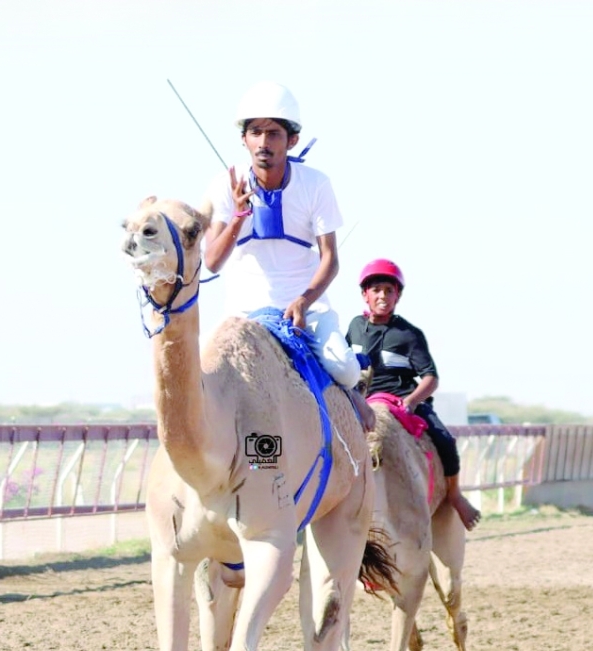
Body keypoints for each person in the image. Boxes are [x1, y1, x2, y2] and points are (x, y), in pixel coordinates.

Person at [203, 81, 373, 428]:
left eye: (274, 133)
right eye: (255, 132)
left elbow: (330, 259)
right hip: (243, 313)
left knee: (343, 368)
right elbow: (212, 261)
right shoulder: (225, 184)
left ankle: (352, 398)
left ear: (291, 140)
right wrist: (238, 215)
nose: (264, 142)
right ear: (244, 139)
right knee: (206, 374)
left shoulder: (316, 184)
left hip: (305, 311)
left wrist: (304, 301)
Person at [346, 259, 481, 530]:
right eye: (376, 290)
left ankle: (454, 494)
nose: (382, 296)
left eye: (389, 290)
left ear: (398, 295)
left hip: (402, 400)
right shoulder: (354, 327)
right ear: (365, 294)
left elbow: (431, 377)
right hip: (362, 401)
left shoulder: (408, 334)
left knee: (444, 439)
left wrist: (411, 402)